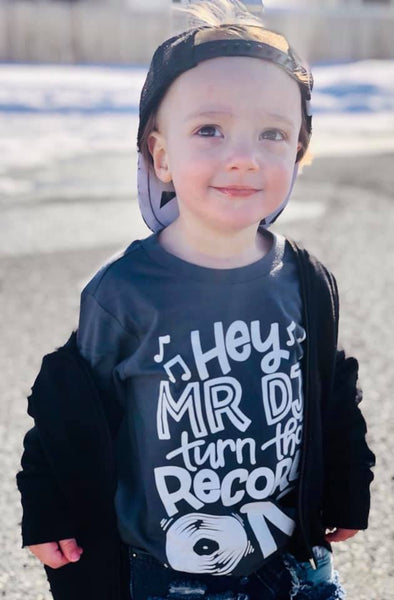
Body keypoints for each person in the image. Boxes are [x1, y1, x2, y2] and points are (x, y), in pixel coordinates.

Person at [17, 1, 375, 599]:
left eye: (273, 133)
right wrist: (51, 508)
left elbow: (331, 394)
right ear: (161, 155)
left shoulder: (307, 280)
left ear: (298, 152)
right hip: (166, 572)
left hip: (293, 561)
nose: (244, 155)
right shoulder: (124, 291)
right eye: (209, 129)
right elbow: (69, 414)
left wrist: (346, 485)